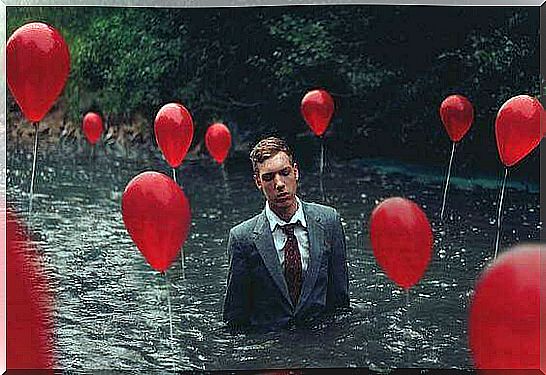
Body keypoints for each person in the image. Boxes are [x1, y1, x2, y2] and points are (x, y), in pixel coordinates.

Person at [223, 136, 349, 330]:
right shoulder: (242, 238)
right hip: (270, 345)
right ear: (258, 182)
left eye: (284, 173)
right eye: (268, 177)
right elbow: (235, 317)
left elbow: (339, 300)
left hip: (320, 341)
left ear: (295, 172)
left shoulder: (328, 221)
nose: (279, 184)